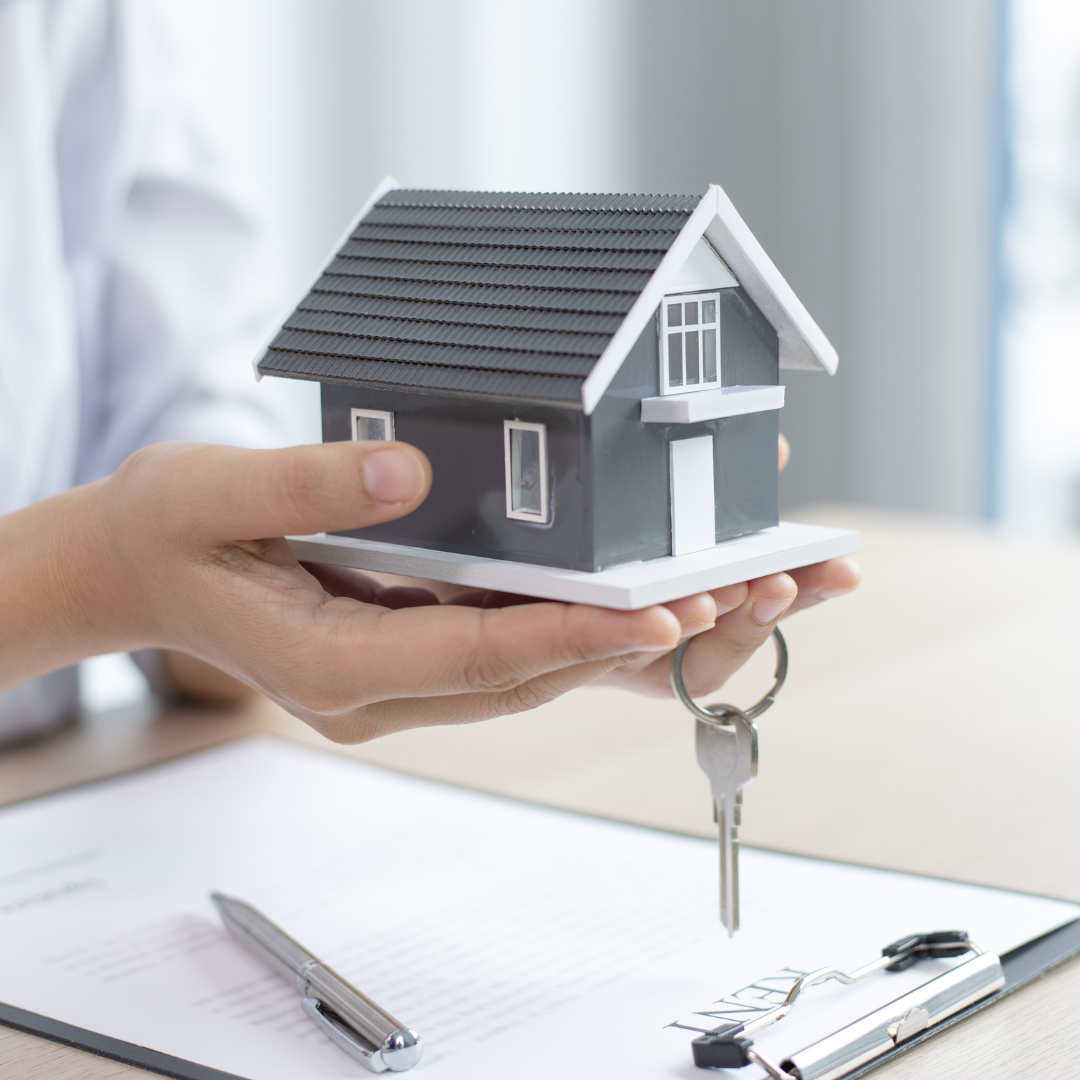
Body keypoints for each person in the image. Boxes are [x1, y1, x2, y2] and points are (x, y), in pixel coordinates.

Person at [0, 0, 860, 746]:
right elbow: (135, 553)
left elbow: (181, 403)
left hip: (84, 776)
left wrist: (247, 603)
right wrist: (94, 576)